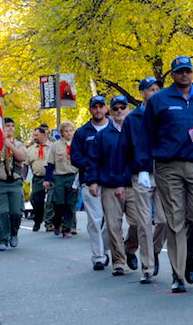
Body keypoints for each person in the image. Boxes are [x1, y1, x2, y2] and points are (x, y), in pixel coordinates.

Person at [139, 55, 193, 293]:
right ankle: (178, 274)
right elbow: (146, 135)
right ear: (173, 74)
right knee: (175, 220)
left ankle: (188, 255)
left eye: (187, 71)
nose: (184, 75)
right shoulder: (159, 100)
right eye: (179, 71)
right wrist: (145, 168)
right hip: (169, 166)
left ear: (192, 72)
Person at [122, 76, 167, 283]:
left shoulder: (166, 114)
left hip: (164, 172)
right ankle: (147, 267)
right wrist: (135, 170)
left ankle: (155, 250)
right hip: (141, 174)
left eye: (157, 88)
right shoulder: (133, 119)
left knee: (165, 220)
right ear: (142, 93)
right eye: (150, 89)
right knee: (143, 222)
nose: (155, 92)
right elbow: (125, 148)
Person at [88, 95, 136, 277]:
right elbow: (93, 160)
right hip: (109, 186)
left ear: (128, 110)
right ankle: (118, 261)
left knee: (139, 224)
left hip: (132, 185)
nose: (119, 111)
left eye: (122, 107)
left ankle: (130, 249)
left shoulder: (136, 132)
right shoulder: (102, 136)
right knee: (113, 226)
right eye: (115, 109)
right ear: (111, 111)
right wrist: (92, 181)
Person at [70, 95, 112, 270]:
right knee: (95, 220)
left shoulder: (115, 129)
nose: (98, 110)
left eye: (101, 107)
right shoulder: (82, 132)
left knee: (112, 221)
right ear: (90, 110)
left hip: (112, 180)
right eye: (95, 107)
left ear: (105, 108)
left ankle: (104, 246)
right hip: (89, 181)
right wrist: (93, 166)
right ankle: (99, 256)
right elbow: (75, 157)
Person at [0, 118, 27, 251]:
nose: (10, 128)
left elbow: (22, 157)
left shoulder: (18, 144)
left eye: (12, 125)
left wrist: (9, 145)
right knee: (1, 211)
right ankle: (2, 239)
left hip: (15, 182)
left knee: (16, 212)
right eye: (7, 126)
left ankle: (14, 233)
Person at [45, 121, 80, 237]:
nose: (69, 133)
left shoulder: (77, 144)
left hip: (73, 176)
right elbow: (50, 163)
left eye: (71, 130)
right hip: (60, 176)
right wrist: (47, 179)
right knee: (59, 203)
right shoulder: (55, 146)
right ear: (61, 133)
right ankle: (57, 222)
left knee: (71, 204)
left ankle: (67, 228)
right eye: (66, 131)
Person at [25, 127, 52, 232]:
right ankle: (37, 220)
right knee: (36, 201)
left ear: (44, 135)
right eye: (34, 135)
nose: (34, 137)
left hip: (51, 177)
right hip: (37, 178)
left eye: (37, 135)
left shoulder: (52, 147)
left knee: (50, 201)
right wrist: (23, 178)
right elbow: (26, 165)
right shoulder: (31, 149)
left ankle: (49, 223)